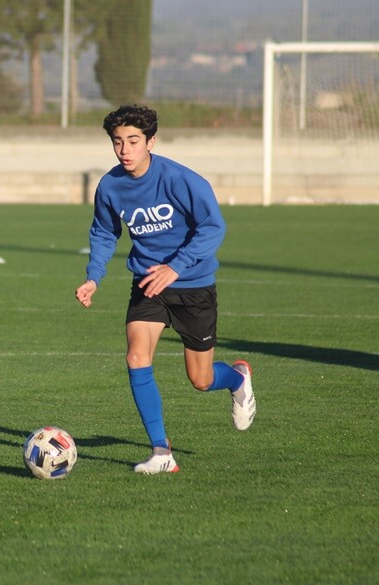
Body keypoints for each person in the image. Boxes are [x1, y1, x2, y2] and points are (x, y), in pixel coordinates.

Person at [75, 104, 256, 475]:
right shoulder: (110, 186)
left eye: (133, 141)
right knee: (136, 357)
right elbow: (105, 232)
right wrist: (94, 276)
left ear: (151, 141)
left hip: (194, 286)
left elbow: (213, 228)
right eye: (117, 142)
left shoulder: (180, 180)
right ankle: (161, 452)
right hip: (147, 283)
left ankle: (237, 378)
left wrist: (176, 267)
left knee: (200, 380)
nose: (125, 150)